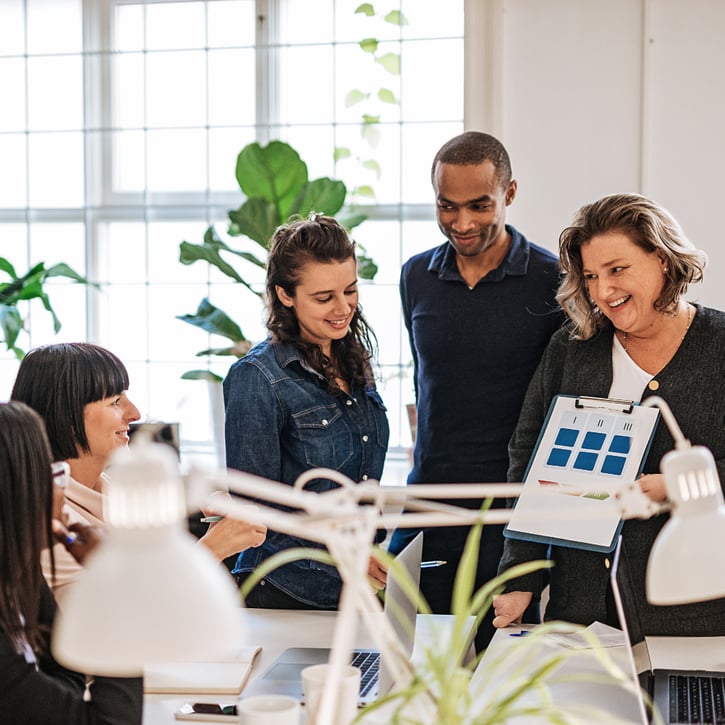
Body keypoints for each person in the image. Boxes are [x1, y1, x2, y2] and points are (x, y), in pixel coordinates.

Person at [493, 192, 725, 635]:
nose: (603, 291)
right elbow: (528, 458)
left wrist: (677, 486)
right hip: (580, 606)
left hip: (690, 613)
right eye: (591, 276)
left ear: (661, 258)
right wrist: (521, 573)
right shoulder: (572, 348)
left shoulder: (719, 347)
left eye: (617, 270)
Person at [387, 131, 564, 650]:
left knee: (492, 663)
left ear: (509, 194)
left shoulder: (552, 280)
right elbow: (430, 380)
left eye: (479, 206)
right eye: (446, 206)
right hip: (430, 499)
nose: (461, 224)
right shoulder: (415, 275)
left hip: (511, 508)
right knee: (409, 651)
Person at [11, 342, 266, 606]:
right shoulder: (44, 517)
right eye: (115, 402)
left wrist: (216, 533)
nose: (134, 414)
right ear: (65, 413)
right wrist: (211, 549)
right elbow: (113, 618)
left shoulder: (109, 493)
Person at [224, 213, 390, 609]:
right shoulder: (257, 378)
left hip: (350, 590)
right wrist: (343, 555)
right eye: (323, 297)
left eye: (350, 291)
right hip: (284, 591)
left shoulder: (351, 358)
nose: (343, 308)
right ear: (285, 294)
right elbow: (255, 515)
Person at [0, 401, 143, 724]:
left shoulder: (16, 571)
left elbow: (66, 678)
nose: (60, 487)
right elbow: (113, 720)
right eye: (53, 473)